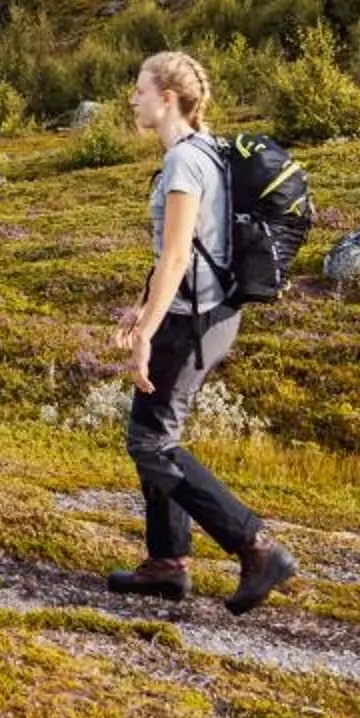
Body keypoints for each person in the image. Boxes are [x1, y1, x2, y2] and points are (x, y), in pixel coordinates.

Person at [106, 51, 300, 613]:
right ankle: (167, 563)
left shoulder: (184, 165)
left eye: (140, 88)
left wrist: (145, 332)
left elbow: (174, 257)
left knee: (153, 441)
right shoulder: (202, 154)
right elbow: (192, 252)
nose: (133, 98)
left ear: (167, 98)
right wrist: (142, 308)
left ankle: (256, 547)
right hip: (199, 313)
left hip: (195, 321)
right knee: (150, 429)